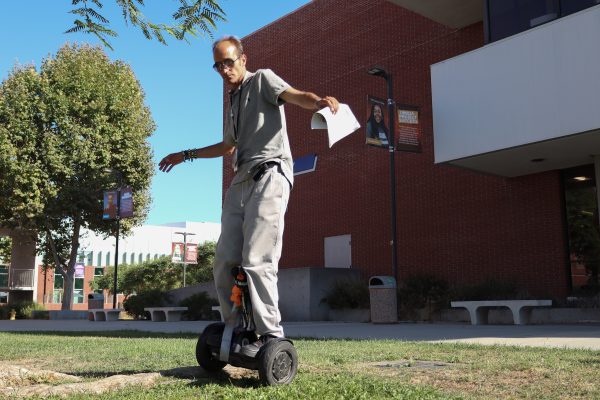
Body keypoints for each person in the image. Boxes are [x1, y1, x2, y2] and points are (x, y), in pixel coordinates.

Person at [159, 35, 339, 357]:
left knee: (257, 260)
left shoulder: (263, 80)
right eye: (218, 65)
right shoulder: (233, 100)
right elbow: (227, 146)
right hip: (240, 180)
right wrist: (183, 155)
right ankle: (235, 328)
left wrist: (320, 102)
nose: (224, 69)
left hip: (270, 174)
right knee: (225, 260)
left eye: (228, 62)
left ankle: (270, 334)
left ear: (243, 58)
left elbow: (297, 96)